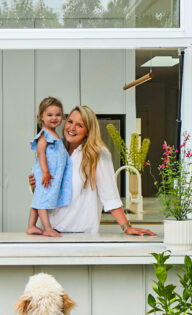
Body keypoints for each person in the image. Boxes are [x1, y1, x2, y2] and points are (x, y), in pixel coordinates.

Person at [30, 105, 155, 237]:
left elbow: (109, 195)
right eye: (70, 122)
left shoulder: (98, 154)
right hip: (45, 233)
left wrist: (126, 227)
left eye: (79, 125)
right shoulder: (53, 147)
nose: (72, 128)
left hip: (77, 236)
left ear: (88, 131)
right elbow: (47, 189)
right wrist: (35, 186)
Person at [27, 97, 72, 237]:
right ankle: (47, 227)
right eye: (50, 115)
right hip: (45, 173)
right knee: (43, 201)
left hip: (50, 174)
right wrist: (45, 172)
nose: (54, 118)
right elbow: (41, 154)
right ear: (42, 116)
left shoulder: (55, 135)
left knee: (39, 200)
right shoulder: (44, 135)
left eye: (58, 115)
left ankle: (31, 226)